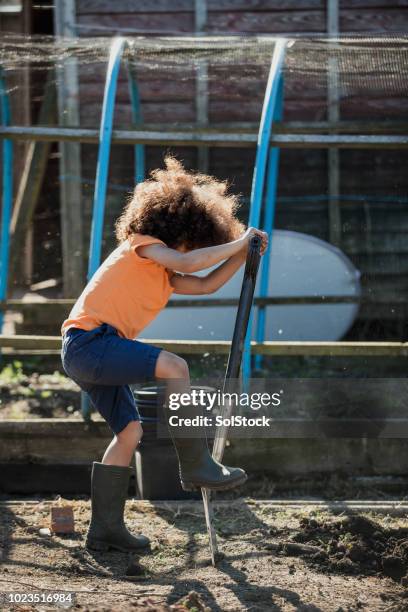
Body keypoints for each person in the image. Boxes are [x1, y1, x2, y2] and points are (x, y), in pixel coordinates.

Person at [60, 155, 268, 553]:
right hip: (90, 343)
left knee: (130, 433)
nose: (196, 249)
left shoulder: (164, 274)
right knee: (175, 366)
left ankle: (104, 530)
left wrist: (243, 255)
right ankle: (195, 462)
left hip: (96, 349)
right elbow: (191, 261)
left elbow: (205, 283)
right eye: (196, 240)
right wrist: (237, 242)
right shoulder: (142, 246)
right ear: (179, 229)